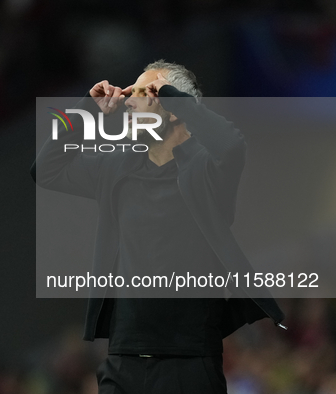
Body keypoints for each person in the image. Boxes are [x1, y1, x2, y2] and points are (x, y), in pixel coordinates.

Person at [31, 60, 286, 394]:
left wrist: (169, 94)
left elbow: (231, 144)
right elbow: (45, 169)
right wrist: (86, 110)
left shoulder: (206, 171)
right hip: (123, 359)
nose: (129, 102)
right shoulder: (116, 166)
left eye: (143, 92)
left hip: (189, 361)